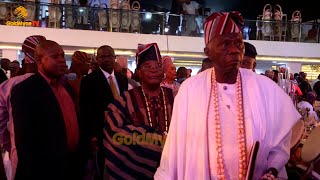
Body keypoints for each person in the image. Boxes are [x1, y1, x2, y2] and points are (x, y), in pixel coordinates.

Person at [155, 11, 301, 180]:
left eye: (238, 43)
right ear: (207, 52)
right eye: (224, 44)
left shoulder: (264, 87)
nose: (234, 50)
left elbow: (281, 140)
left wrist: (272, 170)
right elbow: (174, 148)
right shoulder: (190, 89)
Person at [10, 40, 82, 179]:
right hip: (43, 171)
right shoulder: (25, 90)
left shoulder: (67, 87)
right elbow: (24, 142)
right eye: (55, 56)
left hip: (70, 167)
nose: (62, 60)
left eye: (62, 55)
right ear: (39, 60)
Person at [103, 43, 174, 179]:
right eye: (147, 67)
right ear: (139, 72)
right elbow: (114, 133)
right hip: (135, 173)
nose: (153, 70)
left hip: (172, 168)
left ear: (163, 72)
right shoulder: (124, 100)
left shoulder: (175, 97)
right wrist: (158, 143)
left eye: (158, 66)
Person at [79, 45, 128, 180]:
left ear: (114, 58)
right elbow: (85, 109)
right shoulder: (89, 80)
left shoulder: (122, 78)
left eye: (109, 56)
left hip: (122, 133)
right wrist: (91, 135)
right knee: (101, 169)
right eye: (103, 57)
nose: (107, 59)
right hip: (101, 133)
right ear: (97, 59)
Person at [0, 35, 46, 180]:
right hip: (53, 156)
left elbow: (1, 127)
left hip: (19, 154)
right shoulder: (57, 84)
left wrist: (11, 146)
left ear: (25, 55)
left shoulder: (8, 86)